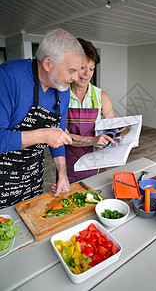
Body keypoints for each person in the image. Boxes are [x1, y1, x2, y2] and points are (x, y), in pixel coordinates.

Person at [0, 29, 84, 209]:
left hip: (33, 177)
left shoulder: (63, 88)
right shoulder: (8, 76)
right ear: (48, 64)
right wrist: (43, 135)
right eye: (71, 70)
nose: (76, 78)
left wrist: (62, 174)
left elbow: (58, 137)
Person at [65, 38, 115, 183]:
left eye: (91, 68)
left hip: (97, 160)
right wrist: (93, 140)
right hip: (69, 161)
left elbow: (112, 129)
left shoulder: (102, 97)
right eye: (82, 67)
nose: (87, 73)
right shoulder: (60, 96)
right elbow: (64, 136)